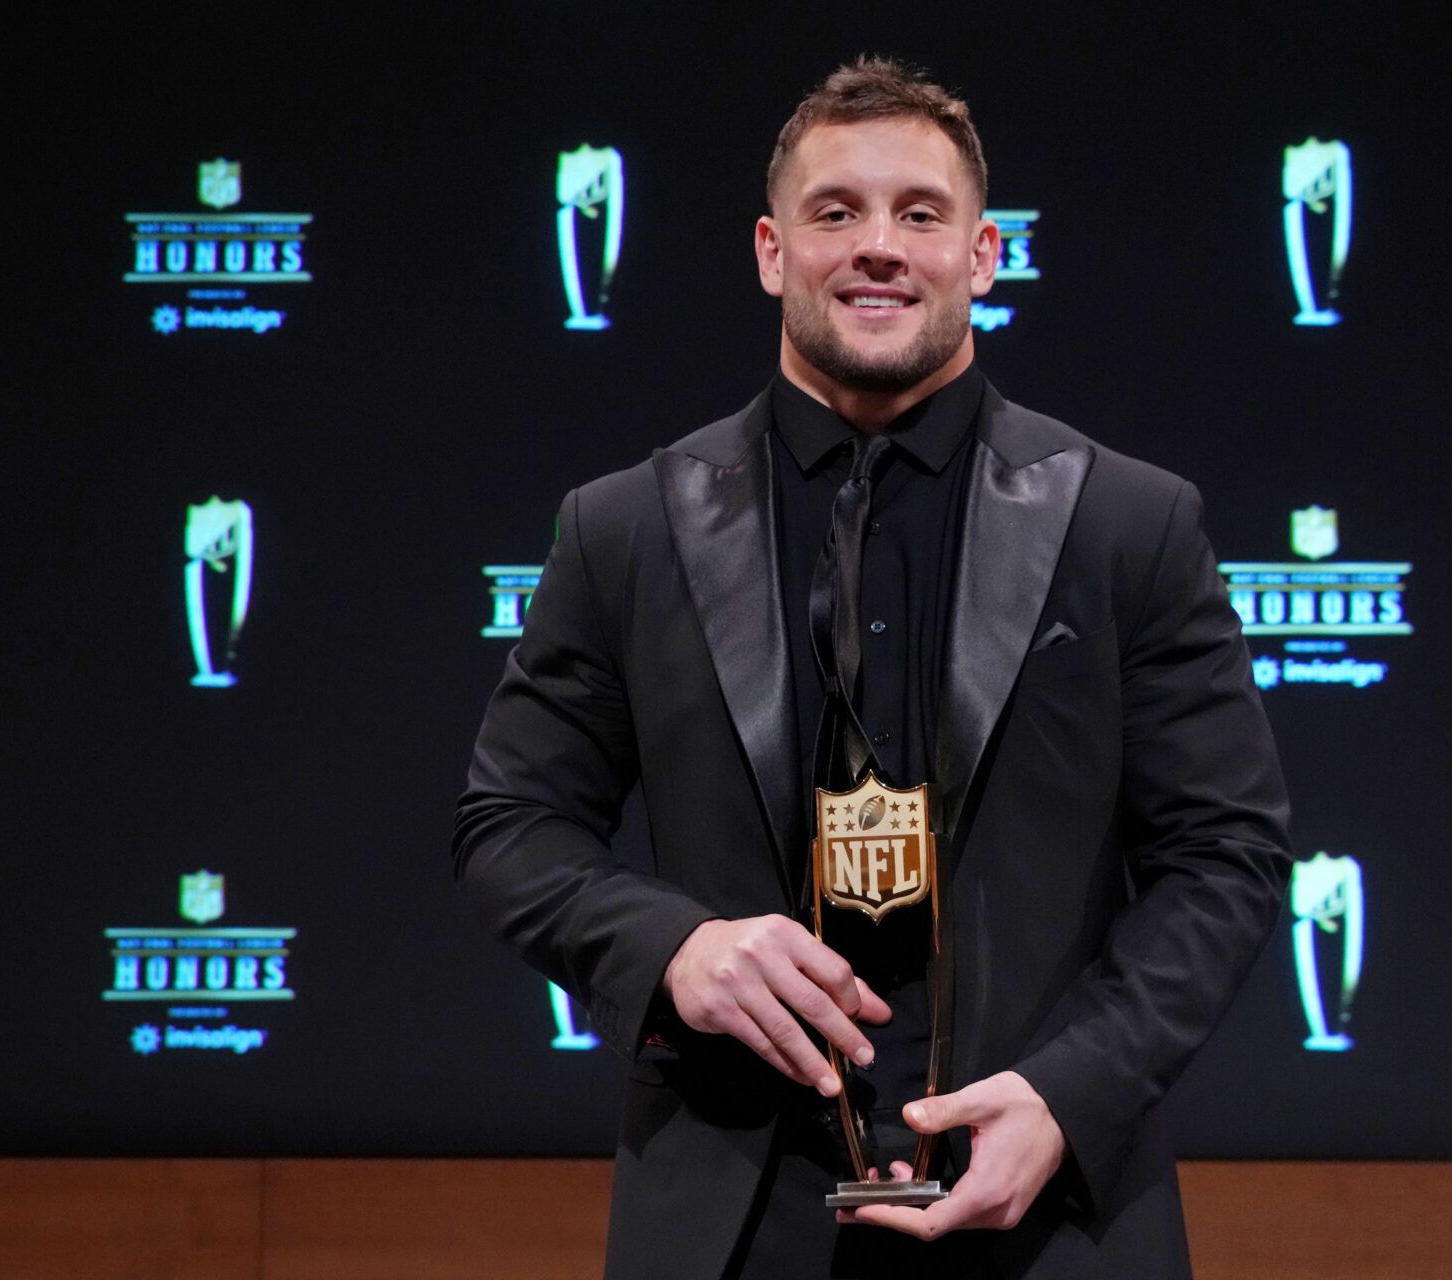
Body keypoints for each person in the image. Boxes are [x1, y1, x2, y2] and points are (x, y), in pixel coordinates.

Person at [453, 56, 1292, 1280]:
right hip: (733, 1223)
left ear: (984, 253)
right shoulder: (626, 528)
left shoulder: (1129, 524)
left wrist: (1071, 1093)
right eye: (836, 212)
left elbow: (1229, 850)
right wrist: (675, 946)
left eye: (919, 213)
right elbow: (507, 823)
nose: (878, 246)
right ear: (770, 251)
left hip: (1050, 1212)